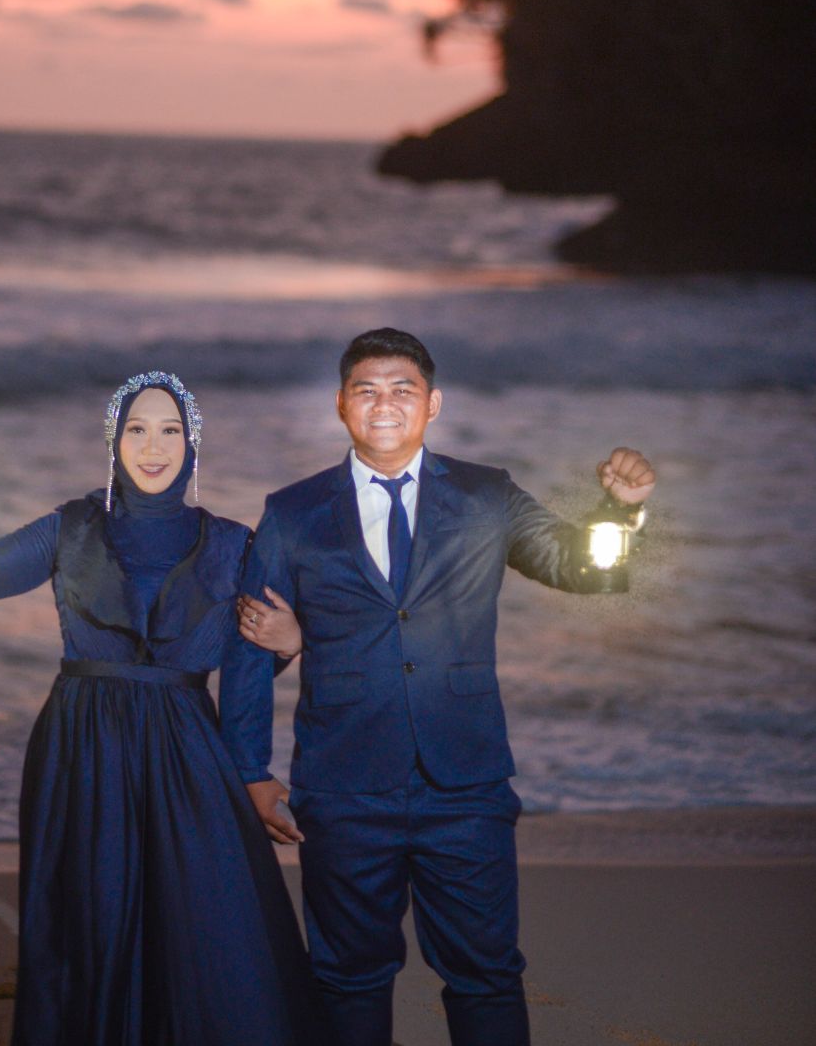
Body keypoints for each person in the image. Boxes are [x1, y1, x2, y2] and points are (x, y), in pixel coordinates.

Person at [220, 327, 656, 1046]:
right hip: (344, 787)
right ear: (340, 404)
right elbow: (248, 647)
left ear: (433, 404)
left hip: (466, 787)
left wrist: (621, 513)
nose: (384, 403)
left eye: (403, 389)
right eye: (366, 389)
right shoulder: (292, 511)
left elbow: (581, 568)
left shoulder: (487, 494)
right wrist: (249, 771)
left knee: (486, 974)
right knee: (346, 976)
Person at [0, 370, 324, 1046]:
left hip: (188, 749)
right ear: (114, 441)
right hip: (82, 747)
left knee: (209, 918)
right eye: (137, 429)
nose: (153, 447)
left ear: (192, 443)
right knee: (90, 918)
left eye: (170, 430)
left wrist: (255, 768)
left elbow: (246, 671)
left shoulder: (236, 544)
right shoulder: (71, 526)